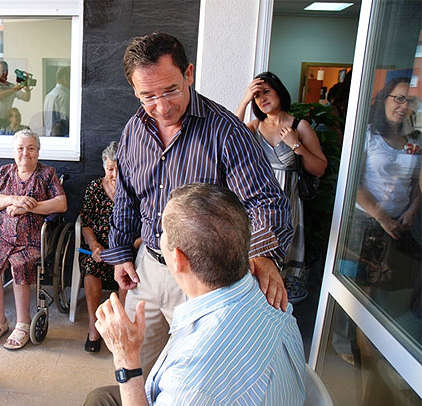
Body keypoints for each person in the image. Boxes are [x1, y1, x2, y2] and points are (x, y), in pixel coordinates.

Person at [103, 31, 293, 377]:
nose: (162, 107)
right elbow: (127, 196)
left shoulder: (225, 131)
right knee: (135, 366)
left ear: (188, 73)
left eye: (171, 90)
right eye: (147, 96)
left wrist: (261, 254)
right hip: (148, 265)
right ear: (134, 90)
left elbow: (265, 200)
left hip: (202, 278)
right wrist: (120, 254)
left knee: (193, 375)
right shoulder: (133, 130)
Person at [82, 183, 306, 406]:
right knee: (99, 402)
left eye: (162, 233)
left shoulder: (193, 371)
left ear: (177, 259)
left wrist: (126, 358)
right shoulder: (272, 300)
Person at [235, 72, 327, 303]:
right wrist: (244, 100)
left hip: (288, 208)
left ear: (279, 91)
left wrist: (296, 145)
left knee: (284, 276)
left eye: (266, 91)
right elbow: (231, 138)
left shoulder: (299, 125)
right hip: (258, 210)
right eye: (257, 95)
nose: (262, 98)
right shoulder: (255, 126)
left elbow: (319, 168)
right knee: (256, 266)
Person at [0, 129, 66, 350]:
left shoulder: (47, 174)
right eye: (20, 148)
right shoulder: (5, 172)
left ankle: (23, 324)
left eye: (31, 148)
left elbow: (61, 204)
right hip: (3, 238)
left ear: (38, 151)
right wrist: (13, 199)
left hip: (32, 240)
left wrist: (29, 206)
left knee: (20, 264)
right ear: (13, 152)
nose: (25, 153)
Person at [347, 77, 421, 292]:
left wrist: (412, 211)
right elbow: (354, 185)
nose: (404, 105)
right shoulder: (368, 135)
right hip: (366, 224)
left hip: (400, 228)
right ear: (384, 100)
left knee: (387, 291)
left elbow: (415, 186)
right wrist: (382, 218)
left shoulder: (415, 140)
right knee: (358, 290)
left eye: (410, 101)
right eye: (399, 98)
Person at [79, 141, 139, 353]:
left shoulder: (135, 189)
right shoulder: (95, 188)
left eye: (119, 168)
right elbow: (85, 222)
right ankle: (93, 328)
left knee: (127, 272)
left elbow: (144, 224)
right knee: (90, 271)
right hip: (99, 249)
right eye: (110, 169)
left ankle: (120, 327)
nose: (114, 174)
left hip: (128, 248)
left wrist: (132, 246)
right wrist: (94, 245)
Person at [0, 60, 31, 131]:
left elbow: (26, 98)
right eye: (3, 70)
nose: (5, 73)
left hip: (5, 120)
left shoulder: (11, 85)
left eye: (6, 71)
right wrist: (13, 90)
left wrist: (27, 88)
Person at [43, 66, 70, 136]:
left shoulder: (49, 95)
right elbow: (65, 122)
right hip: (61, 137)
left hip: (50, 136)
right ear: (65, 78)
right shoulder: (64, 96)